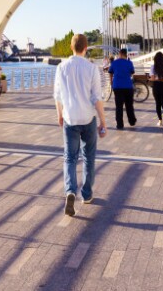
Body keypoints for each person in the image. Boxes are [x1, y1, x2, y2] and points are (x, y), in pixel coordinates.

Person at [54, 33, 107, 216]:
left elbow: (58, 95)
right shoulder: (92, 68)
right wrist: (103, 121)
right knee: (89, 157)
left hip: (70, 119)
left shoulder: (61, 67)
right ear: (86, 48)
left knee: (69, 158)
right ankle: (87, 194)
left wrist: (60, 115)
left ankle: (70, 191)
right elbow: (96, 97)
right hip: (88, 118)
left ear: (71, 47)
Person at [108, 48, 136, 129]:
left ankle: (120, 124)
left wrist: (111, 81)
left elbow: (110, 72)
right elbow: (132, 72)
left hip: (117, 86)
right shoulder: (129, 63)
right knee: (129, 105)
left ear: (120, 54)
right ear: (126, 54)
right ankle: (132, 121)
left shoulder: (114, 63)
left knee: (119, 106)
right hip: (128, 86)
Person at [148, 51, 163, 128]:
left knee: (158, 104)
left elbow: (153, 78)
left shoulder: (153, 67)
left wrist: (149, 79)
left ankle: (160, 120)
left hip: (156, 86)